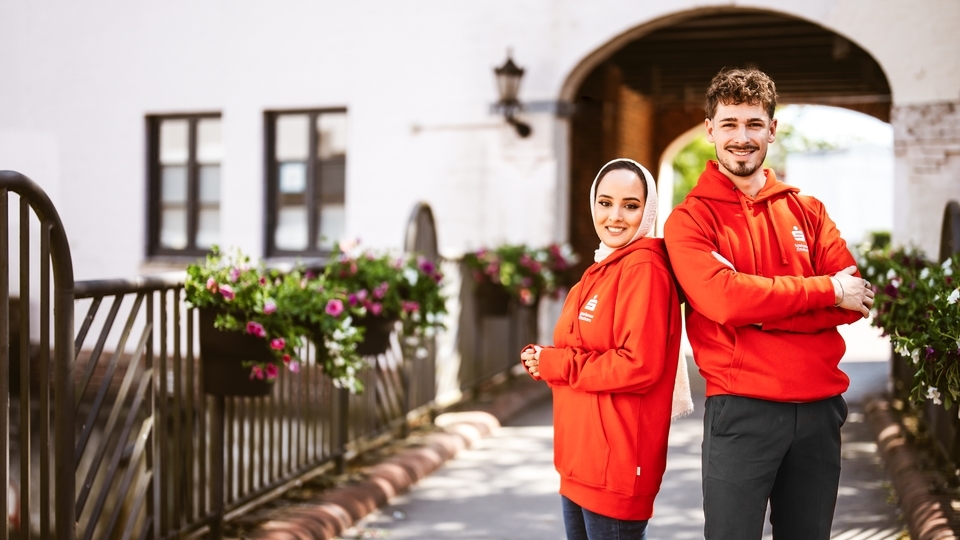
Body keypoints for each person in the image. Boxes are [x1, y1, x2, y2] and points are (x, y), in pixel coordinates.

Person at [663, 67, 876, 540]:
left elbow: (854, 298)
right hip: (742, 410)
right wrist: (824, 289)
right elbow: (724, 301)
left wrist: (761, 307)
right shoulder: (689, 220)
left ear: (772, 130)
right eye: (731, 124)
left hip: (820, 409)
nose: (743, 137)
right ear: (710, 131)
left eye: (754, 124)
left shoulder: (809, 210)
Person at [521, 158, 689, 540]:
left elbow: (638, 365)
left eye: (630, 205)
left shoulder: (644, 269)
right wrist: (543, 359)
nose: (615, 216)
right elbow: (579, 349)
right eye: (605, 202)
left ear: (647, 211)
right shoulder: (598, 270)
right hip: (578, 461)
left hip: (613, 468)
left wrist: (558, 364)